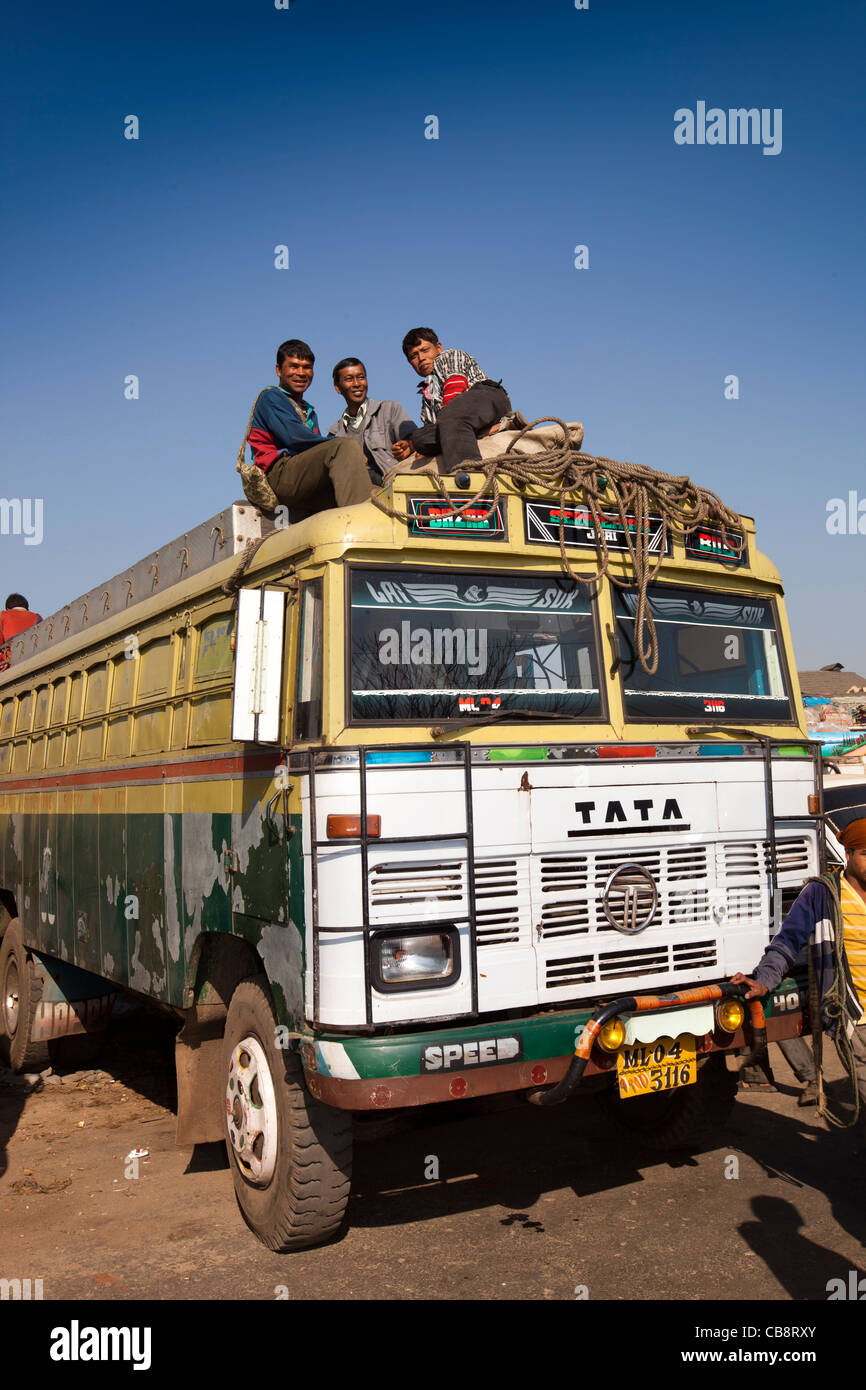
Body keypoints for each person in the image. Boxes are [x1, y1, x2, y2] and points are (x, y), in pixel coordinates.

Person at [731, 816, 866, 1135]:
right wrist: (764, 980)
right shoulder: (823, 895)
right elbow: (787, 941)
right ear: (847, 855)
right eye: (865, 853)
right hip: (857, 1019)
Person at [245, 339, 373, 520]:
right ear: (279, 370)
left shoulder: (308, 410)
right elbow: (294, 438)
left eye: (306, 367)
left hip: (302, 482)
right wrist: (343, 448)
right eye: (294, 366)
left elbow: (315, 454)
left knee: (375, 490)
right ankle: (361, 528)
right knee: (344, 448)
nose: (301, 373)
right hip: (278, 477)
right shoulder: (271, 397)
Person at [391, 328, 512, 474]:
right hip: (458, 422)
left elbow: (456, 388)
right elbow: (433, 430)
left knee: (449, 415)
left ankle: (467, 471)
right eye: (414, 356)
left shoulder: (448, 357)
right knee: (419, 437)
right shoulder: (427, 395)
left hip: (486, 397)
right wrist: (412, 446)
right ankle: (492, 429)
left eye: (425, 350)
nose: (421, 358)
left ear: (439, 347)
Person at [328, 358, 417, 480]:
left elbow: (416, 440)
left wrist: (408, 445)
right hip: (354, 490)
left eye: (361, 377)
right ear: (337, 388)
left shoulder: (390, 410)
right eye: (349, 379)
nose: (357, 384)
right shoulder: (334, 434)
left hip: (389, 484)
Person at [0, 594, 41, 669]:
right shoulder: (38, 617)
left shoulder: (2, 616)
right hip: (34, 659)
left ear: (7, 608)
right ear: (27, 608)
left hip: (9, 662)